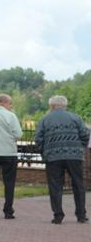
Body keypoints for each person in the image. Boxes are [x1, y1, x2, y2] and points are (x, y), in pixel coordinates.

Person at [35, 95, 90, 224]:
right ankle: (81, 215)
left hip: (53, 157)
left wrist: (44, 152)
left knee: (55, 186)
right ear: (65, 105)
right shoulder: (75, 117)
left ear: (51, 106)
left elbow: (38, 139)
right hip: (74, 156)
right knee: (78, 184)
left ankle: (58, 215)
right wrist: (79, 148)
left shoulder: (45, 119)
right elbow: (85, 134)